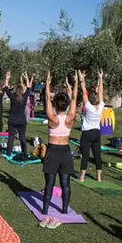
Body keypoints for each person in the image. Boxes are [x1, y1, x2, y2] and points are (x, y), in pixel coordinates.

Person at [40, 70, 79, 228]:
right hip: (65, 152)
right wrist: (76, 83)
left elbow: (46, 98)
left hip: (53, 151)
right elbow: (75, 98)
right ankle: (64, 210)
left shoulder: (52, 118)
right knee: (65, 183)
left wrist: (48, 83)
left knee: (49, 184)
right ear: (67, 105)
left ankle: (45, 209)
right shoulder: (70, 118)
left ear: (56, 104)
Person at [78, 70, 104, 183]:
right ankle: (99, 177)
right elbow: (101, 92)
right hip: (97, 133)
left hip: (87, 133)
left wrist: (82, 80)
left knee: (85, 156)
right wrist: (100, 78)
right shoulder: (101, 106)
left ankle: (82, 177)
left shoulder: (88, 107)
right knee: (97, 155)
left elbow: (84, 91)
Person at [4, 70, 35, 157]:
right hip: (22, 120)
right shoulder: (24, 97)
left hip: (12, 120)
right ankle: (24, 153)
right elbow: (28, 87)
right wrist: (27, 78)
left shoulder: (13, 97)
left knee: (11, 137)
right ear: (22, 91)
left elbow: (6, 88)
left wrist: (7, 78)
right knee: (22, 138)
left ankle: (8, 153)